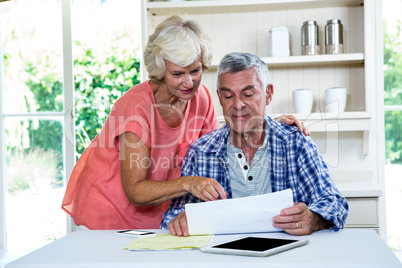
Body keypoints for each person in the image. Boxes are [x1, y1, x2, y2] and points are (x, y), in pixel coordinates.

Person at [62, 15, 308, 230]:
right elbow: (135, 191)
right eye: (178, 74)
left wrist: (265, 122)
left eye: (195, 71)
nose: (189, 82)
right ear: (159, 71)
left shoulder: (200, 98)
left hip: (159, 215)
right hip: (109, 212)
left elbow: (217, 148)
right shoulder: (135, 108)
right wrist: (190, 183)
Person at [160, 52, 349, 237]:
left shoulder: (296, 143)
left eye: (248, 94)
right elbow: (172, 216)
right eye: (228, 96)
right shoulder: (200, 151)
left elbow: (334, 203)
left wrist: (314, 219)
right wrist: (181, 221)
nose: (238, 104)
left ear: (268, 94)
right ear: (219, 97)